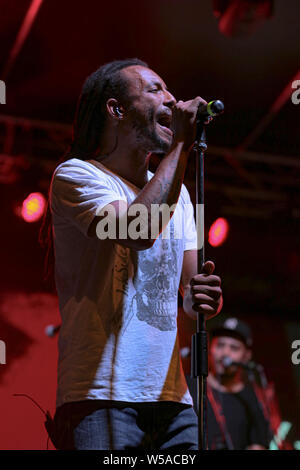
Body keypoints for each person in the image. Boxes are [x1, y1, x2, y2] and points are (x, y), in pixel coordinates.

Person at [46, 58, 223, 450]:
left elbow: (191, 298)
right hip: (99, 398)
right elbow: (136, 230)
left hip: (173, 401)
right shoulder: (77, 176)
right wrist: (181, 143)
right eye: (155, 89)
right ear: (116, 109)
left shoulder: (181, 196)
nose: (171, 98)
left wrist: (203, 297)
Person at [206, 317, 271, 450]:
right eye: (220, 345)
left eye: (234, 348)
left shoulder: (252, 399)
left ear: (246, 356)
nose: (225, 353)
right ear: (209, 348)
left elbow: (258, 444)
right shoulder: (188, 387)